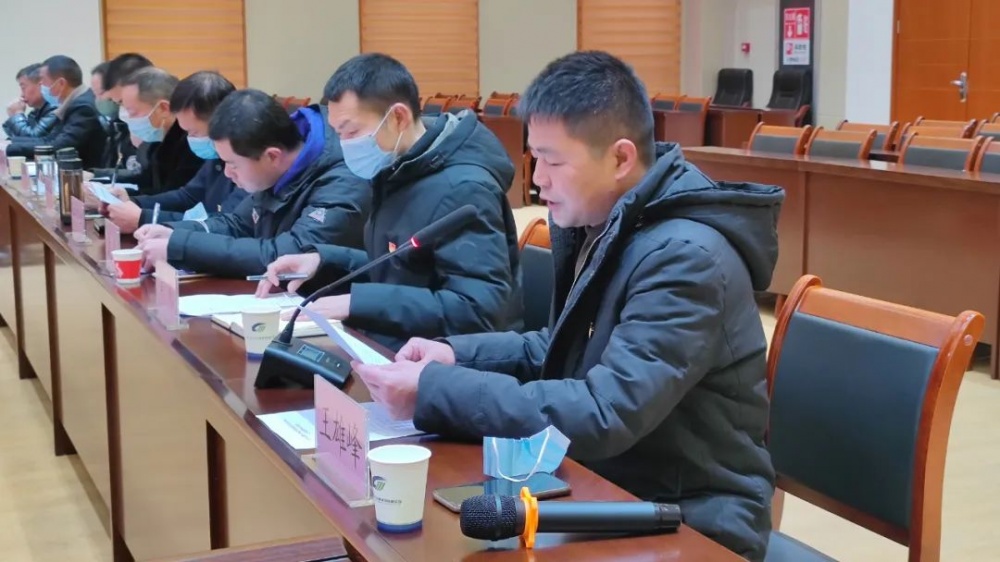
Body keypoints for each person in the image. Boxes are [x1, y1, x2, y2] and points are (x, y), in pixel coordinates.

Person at [350, 51, 783, 561]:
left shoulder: (686, 259)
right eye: (535, 159)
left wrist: (434, 390)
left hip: (692, 520)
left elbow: (605, 411)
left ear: (621, 159)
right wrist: (453, 356)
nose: (538, 180)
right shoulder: (611, 223)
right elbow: (563, 349)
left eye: (554, 162)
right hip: (608, 489)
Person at [255, 53, 522, 352]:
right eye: (339, 134)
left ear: (398, 118)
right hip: (395, 344)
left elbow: (476, 310)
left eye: (352, 132)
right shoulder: (397, 167)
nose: (345, 145)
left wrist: (356, 303)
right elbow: (399, 265)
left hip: (446, 360)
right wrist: (322, 261)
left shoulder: (463, 189)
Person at [134, 89, 370, 278]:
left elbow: (287, 254)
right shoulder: (277, 160)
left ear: (272, 156)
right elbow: (238, 223)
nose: (228, 173)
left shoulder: (344, 179)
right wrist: (174, 232)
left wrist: (181, 246)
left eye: (233, 164)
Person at [104, 71, 248, 233]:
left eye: (193, 132)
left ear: (219, 122)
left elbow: (226, 222)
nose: (189, 138)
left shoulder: (246, 158)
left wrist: (143, 217)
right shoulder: (214, 155)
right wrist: (133, 203)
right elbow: (188, 196)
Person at [107, 67, 202, 195]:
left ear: (163, 108)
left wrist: (129, 200)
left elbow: (176, 196)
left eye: (132, 113)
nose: (128, 119)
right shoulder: (158, 137)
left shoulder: (192, 143)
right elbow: (147, 181)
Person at [5, 55, 107, 168]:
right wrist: (10, 143)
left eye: (43, 81)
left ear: (61, 83)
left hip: (88, 174)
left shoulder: (83, 108)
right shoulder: (73, 103)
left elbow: (59, 146)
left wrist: (8, 148)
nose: (41, 86)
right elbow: (48, 139)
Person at [2, 63, 58, 139]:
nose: (22, 95)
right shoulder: (35, 113)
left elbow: (33, 139)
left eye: (23, 88)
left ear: (41, 85)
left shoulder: (55, 108)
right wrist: (13, 116)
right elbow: (16, 138)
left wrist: (17, 115)